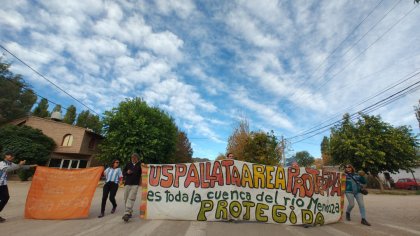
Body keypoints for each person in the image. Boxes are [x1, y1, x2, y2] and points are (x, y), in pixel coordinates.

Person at [0, 152, 36, 223]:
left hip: (3, 184)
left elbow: (21, 167)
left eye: (12, 156)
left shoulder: (11, 164)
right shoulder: (1, 163)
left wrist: (33, 166)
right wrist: (19, 165)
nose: (11, 157)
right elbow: (7, 170)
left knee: (5, 198)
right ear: (5, 156)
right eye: (10, 155)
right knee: (4, 198)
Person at [122, 153, 142, 221]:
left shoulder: (140, 165)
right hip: (127, 183)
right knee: (126, 198)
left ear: (137, 159)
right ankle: (129, 212)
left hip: (135, 184)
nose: (133, 159)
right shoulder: (128, 164)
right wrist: (127, 172)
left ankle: (126, 213)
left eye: (135, 158)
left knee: (131, 198)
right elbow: (123, 172)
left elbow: (144, 172)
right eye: (132, 158)